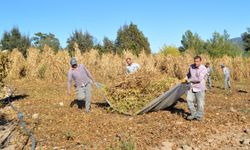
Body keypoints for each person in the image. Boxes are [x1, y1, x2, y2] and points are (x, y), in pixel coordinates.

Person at [183, 56, 207, 121]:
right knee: (188, 99)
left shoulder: (204, 69)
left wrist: (189, 80)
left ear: (200, 61)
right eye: (195, 61)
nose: (196, 63)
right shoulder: (191, 66)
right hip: (192, 87)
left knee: (200, 103)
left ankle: (199, 116)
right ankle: (193, 113)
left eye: (197, 61)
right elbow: (188, 74)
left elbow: (199, 79)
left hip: (200, 88)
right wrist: (185, 78)